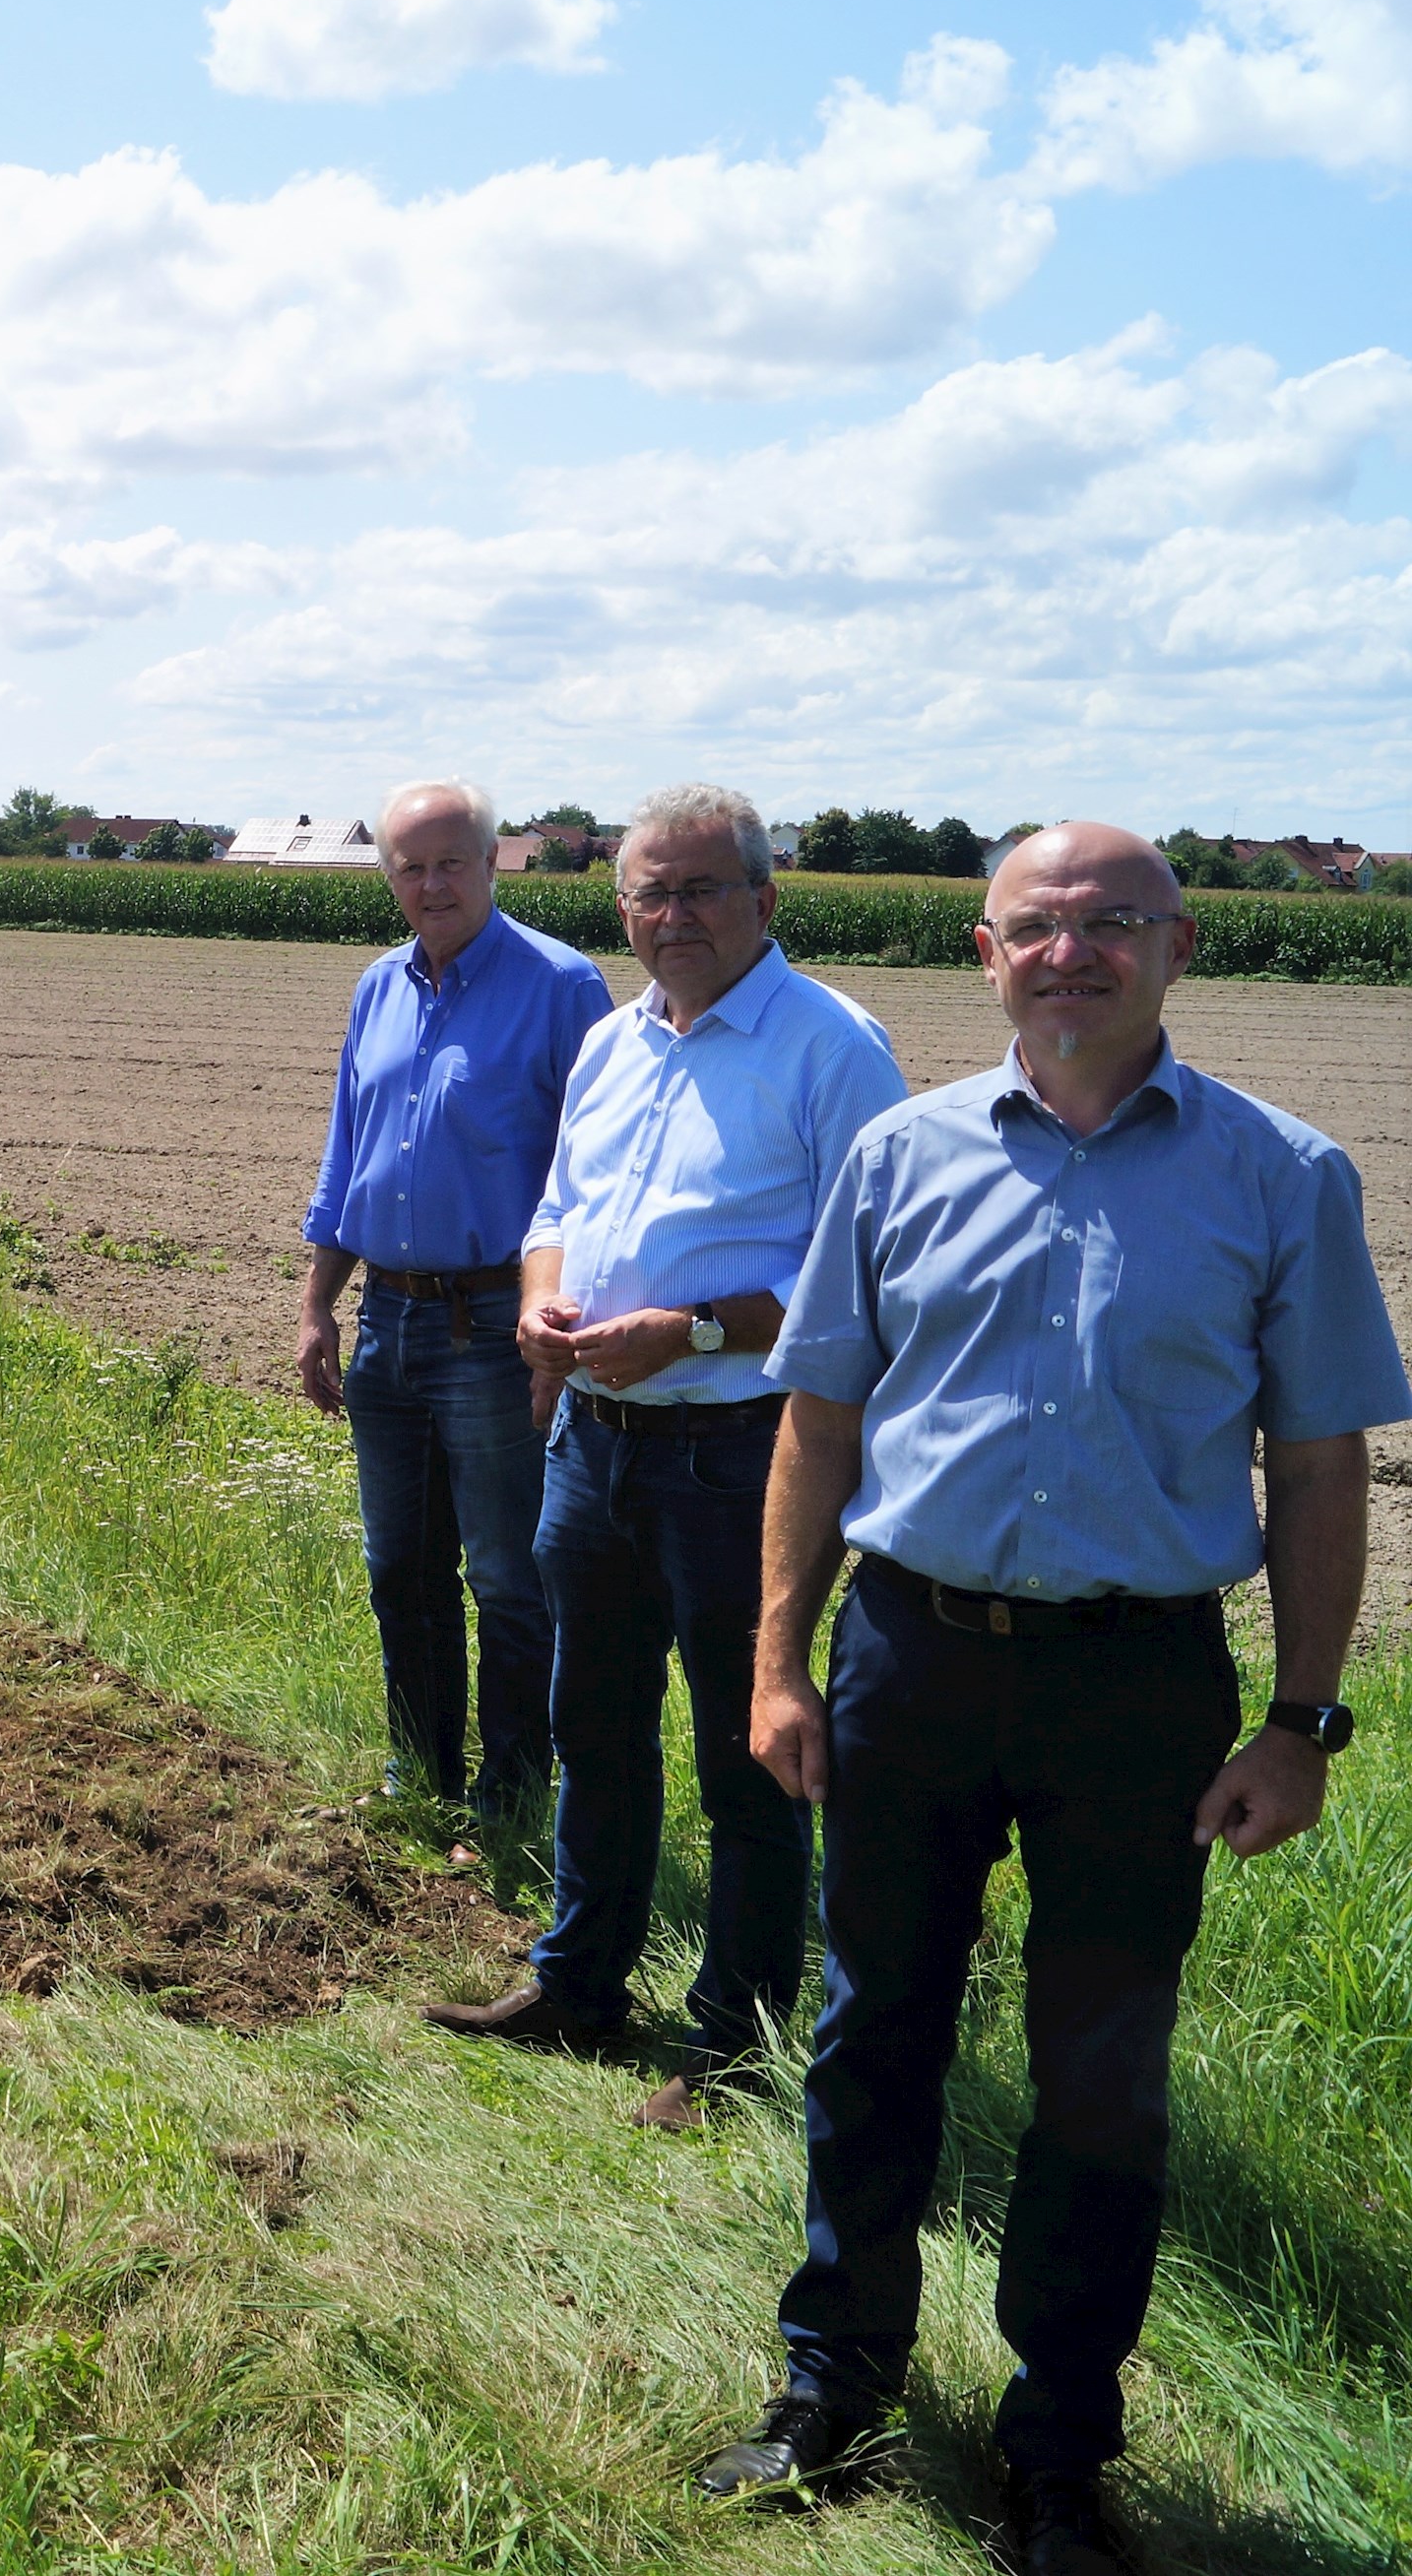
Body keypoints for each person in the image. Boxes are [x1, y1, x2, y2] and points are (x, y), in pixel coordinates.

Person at [696, 824, 1402, 2575]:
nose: (1071, 952)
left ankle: (1058, 2457)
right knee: (873, 2036)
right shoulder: (895, 1154)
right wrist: (780, 1660)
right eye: (1038, 927)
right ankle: (830, 2383)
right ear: (983, 949)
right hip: (910, 1662)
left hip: (1136, 1689)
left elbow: (1319, 1466)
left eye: (1111, 925)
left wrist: (1300, 1722)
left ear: (1178, 951)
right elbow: (818, 1423)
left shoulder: (1281, 1174)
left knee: (1102, 2084)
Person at [425, 783, 908, 2131]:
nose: (673, 914)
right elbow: (560, 1206)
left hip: (746, 1448)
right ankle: (578, 1981)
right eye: (650, 890)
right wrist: (540, 1298)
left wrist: (688, 1325)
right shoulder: (616, 1043)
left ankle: (734, 2039)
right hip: (597, 1438)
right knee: (595, 1721)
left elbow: (864, 1273)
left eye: (701, 888)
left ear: (766, 898)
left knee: (745, 1745)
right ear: (620, 905)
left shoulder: (832, 1048)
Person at [296, 777, 611, 1836]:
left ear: (492, 863)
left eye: (448, 862)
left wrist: (550, 1334)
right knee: (400, 1569)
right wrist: (315, 1309)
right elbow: (348, 1155)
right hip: (386, 1316)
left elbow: (590, 1175)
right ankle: (416, 1773)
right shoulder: (376, 988)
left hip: (492, 1328)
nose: (428, 884)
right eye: (407, 866)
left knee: (508, 1579)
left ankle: (514, 1793)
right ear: (388, 875)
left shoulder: (562, 987)